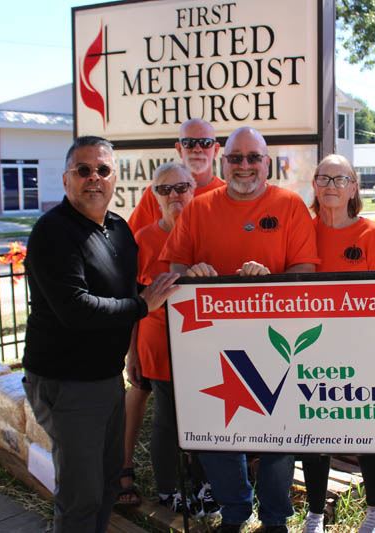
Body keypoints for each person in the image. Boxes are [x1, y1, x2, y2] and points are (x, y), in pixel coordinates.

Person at [161, 126, 319, 532]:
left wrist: (271, 281)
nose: (244, 166)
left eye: (253, 158)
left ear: (267, 162)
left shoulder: (290, 206)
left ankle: (275, 518)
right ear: (223, 161)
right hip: (212, 347)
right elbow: (175, 269)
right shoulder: (198, 208)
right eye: (236, 158)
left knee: (280, 435)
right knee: (218, 432)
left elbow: (305, 273)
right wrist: (192, 274)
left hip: (276, 345)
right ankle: (234, 511)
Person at [22, 135, 179, 533]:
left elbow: (122, 297)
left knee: (108, 481)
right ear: (66, 179)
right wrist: (144, 306)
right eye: (84, 170)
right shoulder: (54, 232)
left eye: (103, 169)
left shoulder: (118, 230)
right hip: (67, 381)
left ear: (114, 178)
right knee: (81, 496)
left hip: (106, 380)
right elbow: (75, 309)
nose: (94, 178)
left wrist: (131, 354)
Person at [119, 118, 224, 513]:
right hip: (159, 342)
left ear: (194, 189)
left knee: (207, 410)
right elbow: (132, 296)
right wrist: (132, 353)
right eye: (165, 190)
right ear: (155, 195)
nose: (175, 195)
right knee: (168, 417)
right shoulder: (144, 237)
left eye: (182, 188)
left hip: (205, 340)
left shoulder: (210, 227)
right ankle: (169, 487)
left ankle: (203, 483)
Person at [301, 154, 375, 533]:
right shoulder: (301, 231)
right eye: (324, 179)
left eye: (340, 180)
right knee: (313, 433)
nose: (331, 187)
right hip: (311, 349)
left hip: (362, 350)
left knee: (365, 429)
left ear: (354, 187)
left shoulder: (370, 235)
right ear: (314, 185)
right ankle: (314, 512)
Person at [126, 118, 224, 233]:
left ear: (216, 150)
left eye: (205, 143)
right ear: (179, 149)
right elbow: (130, 242)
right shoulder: (159, 192)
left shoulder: (227, 195)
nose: (197, 149)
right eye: (189, 143)